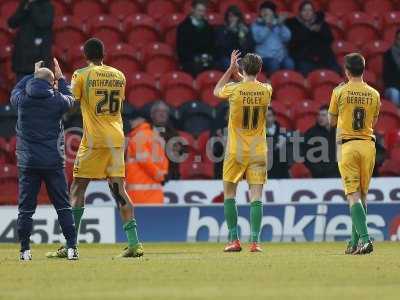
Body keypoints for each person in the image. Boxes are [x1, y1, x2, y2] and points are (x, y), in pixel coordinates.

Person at [46, 38, 144, 259]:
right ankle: (134, 243)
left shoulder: (81, 75)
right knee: (119, 190)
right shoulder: (119, 75)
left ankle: (70, 245)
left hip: (94, 140)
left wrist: (59, 82)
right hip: (117, 138)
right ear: (104, 54)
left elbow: (69, 101)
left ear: (85, 55)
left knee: (77, 189)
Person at [10, 59, 78, 260]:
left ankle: (25, 251)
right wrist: (61, 78)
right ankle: (72, 248)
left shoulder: (22, 100)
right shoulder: (57, 101)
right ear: (52, 83)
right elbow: (71, 97)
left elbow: (15, 90)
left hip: (28, 163)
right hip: (53, 162)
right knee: (63, 206)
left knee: (26, 209)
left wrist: (32, 75)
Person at [214, 51, 272, 252]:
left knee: (230, 195)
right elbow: (251, 85)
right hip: (258, 151)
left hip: (236, 151)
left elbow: (217, 90)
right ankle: (255, 242)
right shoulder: (267, 90)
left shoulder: (234, 89)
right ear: (260, 70)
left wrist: (231, 70)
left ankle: (234, 240)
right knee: (256, 197)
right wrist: (242, 74)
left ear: (242, 68)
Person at [328, 53, 380, 255]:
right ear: (363, 69)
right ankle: (353, 242)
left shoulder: (339, 91)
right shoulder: (374, 93)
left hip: (348, 146)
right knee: (362, 195)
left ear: (346, 71)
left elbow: (332, 122)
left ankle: (365, 240)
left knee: (353, 195)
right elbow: (373, 122)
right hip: (368, 145)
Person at [285, 0, 340, 76]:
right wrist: (309, 31)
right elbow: (294, 42)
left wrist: (319, 31)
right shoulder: (294, 25)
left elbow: (330, 39)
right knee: (305, 72)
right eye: (304, 10)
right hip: (303, 58)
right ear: (300, 12)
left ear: (313, 12)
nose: (307, 13)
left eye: (310, 10)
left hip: (323, 57)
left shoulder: (321, 24)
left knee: (336, 71)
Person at [8, 0, 54, 82]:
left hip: (39, 59)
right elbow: (12, 23)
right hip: (22, 59)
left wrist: (32, 6)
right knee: (20, 91)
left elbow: (42, 23)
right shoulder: (25, 4)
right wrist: (24, 9)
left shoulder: (47, 5)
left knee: (38, 91)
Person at [126, 117, 168, 204]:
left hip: (139, 196)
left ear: (141, 120)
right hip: (156, 195)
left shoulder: (137, 138)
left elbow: (144, 160)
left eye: (133, 119)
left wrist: (157, 174)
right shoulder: (156, 137)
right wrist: (162, 174)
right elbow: (164, 160)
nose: (130, 122)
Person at [251, 1, 293, 75]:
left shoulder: (279, 24)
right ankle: (271, 82)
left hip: (280, 57)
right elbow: (257, 39)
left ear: (273, 13)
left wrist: (281, 26)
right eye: (263, 11)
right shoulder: (256, 25)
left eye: (267, 11)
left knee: (289, 63)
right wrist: (268, 26)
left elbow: (287, 38)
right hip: (264, 58)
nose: (264, 13)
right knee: (273, 64)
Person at [177, 0, 215, 76]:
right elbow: (181, 49)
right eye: (199, 11)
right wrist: (195, 58)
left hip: (205, 59)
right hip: (189, 60)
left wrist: (208, 56)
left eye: (203, 11)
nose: (201, 14)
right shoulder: (183, 27)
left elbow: (212, 45)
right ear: (192, 10)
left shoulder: (208, 27)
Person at [303, 105, 339, 178]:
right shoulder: (311, 133)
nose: (320, 118)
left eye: (324, 115)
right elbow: (305, 155)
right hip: (319, 175)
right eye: (319, 115)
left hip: (338, 174)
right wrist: (318, 170)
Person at [215, 5, 254, 71]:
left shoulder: (244, 29)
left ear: (239, 18)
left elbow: (249, 46)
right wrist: (229, 31)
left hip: (241, 57)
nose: (233, 19)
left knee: (247, 66)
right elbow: (222, 45)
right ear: (227, 17)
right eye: (230, 16)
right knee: (231, 65)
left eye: (235, 16)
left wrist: (243, 36)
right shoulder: (222, 29)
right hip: (226, 57)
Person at [150, 101, 181, 180]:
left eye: (165, 112)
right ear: (152, 114)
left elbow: (177, 157)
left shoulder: (174, 134)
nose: (162, 114)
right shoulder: (145, 132)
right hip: (149, 174)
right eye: (158, 111)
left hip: (170, 177)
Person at [266, 107, 290, 178]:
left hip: (282, 169)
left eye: (269, 115)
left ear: (274, 117)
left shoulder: (282, 130)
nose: (266, 118)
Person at [383, 29, 400, 106]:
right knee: (394, 94)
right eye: (399, 39)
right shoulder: (388, 54)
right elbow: (387, 76)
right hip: (393, 86)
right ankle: (396, 114)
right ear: (395, 40)